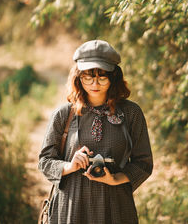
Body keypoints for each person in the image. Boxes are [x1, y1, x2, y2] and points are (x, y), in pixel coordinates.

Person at [38, 40, 153, 224]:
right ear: (78, 76)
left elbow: (143, 163)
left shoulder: (131, 113)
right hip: (71, 206)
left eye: (102, 77)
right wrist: (71, 165)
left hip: (116, 206)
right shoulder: (64, 114)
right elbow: (45, 161)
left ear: (114, 77)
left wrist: (114, 179)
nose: (94, 83)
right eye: (88, 76)